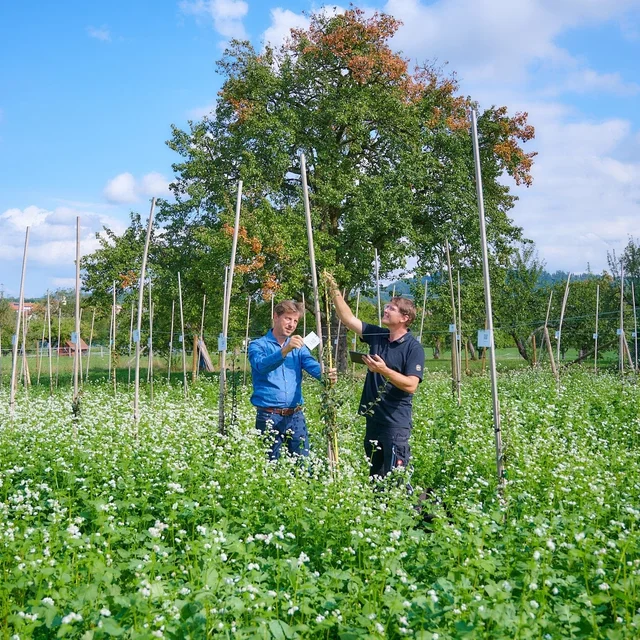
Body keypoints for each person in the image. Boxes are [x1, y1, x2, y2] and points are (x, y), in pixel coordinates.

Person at [323, 272, 425, 479]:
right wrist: (333, 287)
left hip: (395, 423)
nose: (385, 309)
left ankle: (407, 509)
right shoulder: (378, 335)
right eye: (386, 306)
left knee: (396, 477)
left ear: (405, 318)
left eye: (392, 308)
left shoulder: (414, 348)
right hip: (373, 420)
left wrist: (383, 370)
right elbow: (348, 318)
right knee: (376, 476)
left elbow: (411, 385)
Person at [249, 299, 336, 460]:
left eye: (295, 321)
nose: (292, 324)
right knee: (270, 465)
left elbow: (310, 364)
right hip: (268, 415)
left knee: (302, 463)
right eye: (288, 318)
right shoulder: (258, 345)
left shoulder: (299, 347)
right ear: (276, 317)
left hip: (295, 416)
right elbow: (261, 366)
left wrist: (325, 375)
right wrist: (285, 350)